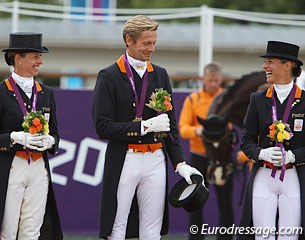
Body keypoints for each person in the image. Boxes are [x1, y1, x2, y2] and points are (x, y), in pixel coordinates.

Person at [92, 15, 202, 240]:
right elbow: (102, 127)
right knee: (117, 226)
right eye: (146, 43)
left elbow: (170, 127)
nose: (151, 48)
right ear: (129, 40)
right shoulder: (109, 75)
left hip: (155, 159)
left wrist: (179, 162)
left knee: (153, 229)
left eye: (154, 42)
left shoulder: (160, 74)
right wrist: (145, 126)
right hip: (125, 157)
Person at [237, 41, 305, 240]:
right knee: (262, 235)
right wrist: (260, 153)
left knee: (289, 236)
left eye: (270, 62)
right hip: (264, 175)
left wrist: (293, 156)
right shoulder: (257, 99)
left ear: (287, 65)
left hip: (293, 175)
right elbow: (246, 140)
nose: (264, 67)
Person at [0, 32, 63, 240]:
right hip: (11, 166)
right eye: (35, 56)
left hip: (38, 168)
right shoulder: (1, 92)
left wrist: (50, 140)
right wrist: (14, 137)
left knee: (32, 232)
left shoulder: (46, 92)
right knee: (7, 231)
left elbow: (55, 133)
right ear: (18, 58)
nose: (40, 61)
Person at [179, 63, 234, 240]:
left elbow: (231, 126)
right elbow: (183, 128)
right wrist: (198, 131)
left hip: (221, 159)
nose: (213, 83)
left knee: (225, 204)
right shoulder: (193, 100)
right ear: (203, 79)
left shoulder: (226, 100)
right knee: (195, 203)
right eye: (210, 80)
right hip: (199, 158)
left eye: (217, 80)